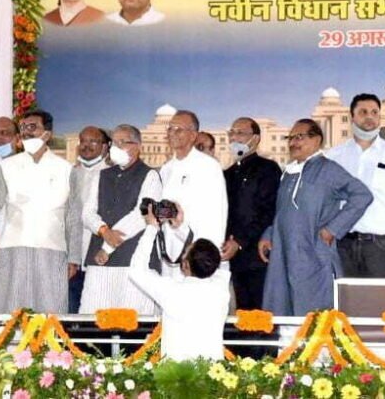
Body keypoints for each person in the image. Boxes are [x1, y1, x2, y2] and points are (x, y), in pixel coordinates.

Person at [0, 109, 82, 313]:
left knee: (50, 314)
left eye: (32, 127)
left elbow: (74, 217)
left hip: (53, 251)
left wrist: (74, 258)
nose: (26, 132)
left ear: (47, 133)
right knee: (12, 313)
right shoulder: (6, 167)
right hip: (13, 249)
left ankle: (49, 347)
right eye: (23, 128)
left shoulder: (66, 169)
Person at [259, 119, 372, 316]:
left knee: (315, 321)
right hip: (284, 255)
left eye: (299, 137)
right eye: (290, 138)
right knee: (284, 314)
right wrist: (269, 234)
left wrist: (333, 229)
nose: (293, 142)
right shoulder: (289, 173)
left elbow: (362, 195)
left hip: (313, 257)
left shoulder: (329, 169)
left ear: (316, 140)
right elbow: (282, 212)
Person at [326, 94, 385, 278]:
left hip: (382, 247)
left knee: (380, 302)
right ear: (352, 117)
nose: (369, 117)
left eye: (374, 112)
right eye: (363, 112)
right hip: (344, 244)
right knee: (345, 303)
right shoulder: (334, 156)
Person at [129, 203, 229, 361]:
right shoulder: (221, 289)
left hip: (174, 378)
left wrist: (151, 227)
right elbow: (209, 256)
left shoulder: (172, 291)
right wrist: (180, 226)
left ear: (186, 265)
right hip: (212, 377)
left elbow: (136, 270)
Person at [80, 124, 161, 314]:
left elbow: (142, 215)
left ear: (138, 146)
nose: (116, 147)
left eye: (123, 142)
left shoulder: (150, 175)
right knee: (94, 319)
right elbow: (87, 213)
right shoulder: (102, 175)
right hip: (99, 259)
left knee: (132, 322)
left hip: (132, 257)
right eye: (114, 142)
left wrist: (107, 246)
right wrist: (103, 231)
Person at [157, 110, 227, 278]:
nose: (172, 133)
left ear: (193, 135)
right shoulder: (166, 169)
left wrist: (202, 259)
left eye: (179, 129)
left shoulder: (208, 167)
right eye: (170, 129)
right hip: (169, 256)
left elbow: (217, 216)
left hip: (198, 259)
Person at [222, 118, 281, 311]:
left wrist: (239, 241)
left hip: (257, 256)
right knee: (239, 315)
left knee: (259, 317)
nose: (234, 138)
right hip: (231, 259)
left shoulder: (267, 169)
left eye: (240, 133)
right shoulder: (227, 174)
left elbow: (268, 211)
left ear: (255, 139)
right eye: (232, 133)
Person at [69, 126, 110, 313]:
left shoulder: (112, 176)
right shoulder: (69, 173)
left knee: (96, 314)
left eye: (93, 141)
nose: (86, 145)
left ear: (105, 146)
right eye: (83, 141)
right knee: (69, 313)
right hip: (71, 258)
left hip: (99, 256)